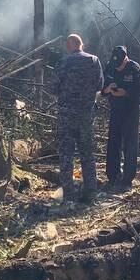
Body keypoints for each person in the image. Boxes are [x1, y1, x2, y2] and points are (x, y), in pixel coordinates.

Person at [51, 33, 103, 203]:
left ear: (70, 45)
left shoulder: (64, 62)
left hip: (67, 115)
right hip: (86, 114)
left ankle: (69, 194)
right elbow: (100, 85)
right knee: (87, 154)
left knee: (66, 154)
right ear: (81, 44)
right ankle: (91, 192)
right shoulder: (94, 61)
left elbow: (53, 87)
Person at [102, 44, 140, 191]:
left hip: (130, 111)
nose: (118, 67)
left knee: (130, 145)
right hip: (115, 109)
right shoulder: (110, 66)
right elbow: (102, 87)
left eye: (120, 64)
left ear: (125, 59)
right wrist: (107, 90)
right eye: (116, 65)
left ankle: (127, 179)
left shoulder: (135, 69)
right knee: (113, 143)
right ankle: (113, 176)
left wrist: (125, 92)